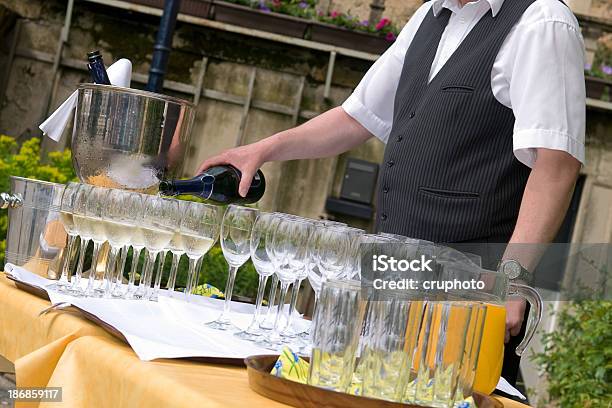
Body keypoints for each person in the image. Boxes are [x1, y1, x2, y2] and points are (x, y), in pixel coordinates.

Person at [198, 0, 585, 385]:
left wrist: (512, 283)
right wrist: (262, 150)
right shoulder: (431, 15)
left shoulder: (543, 20)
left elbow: (558, 164)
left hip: (468, 302)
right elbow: (356, 117)